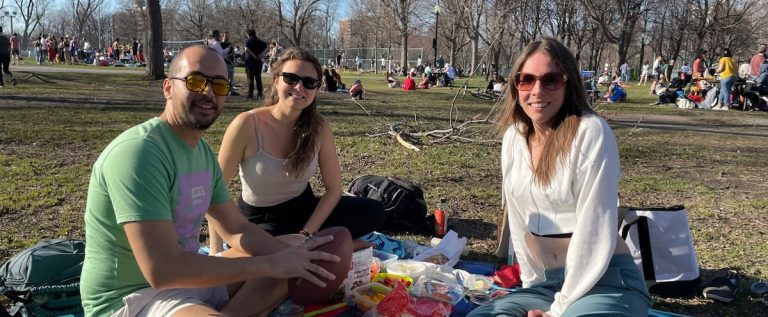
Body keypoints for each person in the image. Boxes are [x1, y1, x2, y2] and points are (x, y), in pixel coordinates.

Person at [80, 45, 341, 317]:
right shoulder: (139, 153)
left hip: (189, 281)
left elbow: (236, 227)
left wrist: (289, 256)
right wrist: (270, 265)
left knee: (291, 252)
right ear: (168, 88)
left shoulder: (201, 152)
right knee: (275, 265)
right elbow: (162, 271)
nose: (208, 92)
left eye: (219, 85)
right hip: (135, 298)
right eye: (195, 81)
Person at [468, 38, 650, 317]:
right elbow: (518, 221)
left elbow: (594, 229)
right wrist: (530, 286)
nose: (537, 90)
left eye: (550, 80)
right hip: (547, 283)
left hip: (605, 281)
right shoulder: (513, 138)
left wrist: (559, 311)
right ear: (516, 86)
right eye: (526, 79)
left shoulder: (590, 132)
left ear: (569, 83)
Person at [208, 48, 385, 255]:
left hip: (303, 210)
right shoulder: (246, 124)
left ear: (316, 88)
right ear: (276, 80)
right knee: (263, 250)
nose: (299, 87)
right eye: (291, 78)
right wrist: (215, 250)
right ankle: (325, 247)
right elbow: (214, 191)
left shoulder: (318, 127)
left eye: (309, 82)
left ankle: (304, 246)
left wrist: (305, 234)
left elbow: (334, 189)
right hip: (261, 219)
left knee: (373, 212)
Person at [244, 29, 267, 99]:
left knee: (250, 78)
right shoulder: (259, 41)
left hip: (250, 62)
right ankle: (260, 94)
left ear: (248, 34)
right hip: (258, 62)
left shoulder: (247, 41)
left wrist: (253, 55)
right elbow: (266, 47)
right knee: (258, 78)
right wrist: (260, 54)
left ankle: (250, 94)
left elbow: (246, 49)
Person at [220, 32, 239, 96]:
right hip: (224, 63)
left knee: (231, 78)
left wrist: (230, 55)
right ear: (223, 36)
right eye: (226, 36)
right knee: (225, 78)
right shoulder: (220, 45)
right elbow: (221, 54)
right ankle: (224, 90)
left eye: (228, 36)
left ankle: (231, 91)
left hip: (230, 63)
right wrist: (226, 57)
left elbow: (233, 53)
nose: (227, 38)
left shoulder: (230, 44)